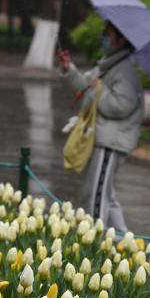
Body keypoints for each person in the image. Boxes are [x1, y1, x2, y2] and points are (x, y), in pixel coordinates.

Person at [58, 21, 143, 231]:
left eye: (108, 33)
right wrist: (69, 69)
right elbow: (84, 87)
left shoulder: (125, 71)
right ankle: (124, 243)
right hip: (102, 138)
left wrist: (99, 91)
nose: (103, 36)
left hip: (111, 142)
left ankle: (94, 241)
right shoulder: (108, 64)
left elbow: (122, 105)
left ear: (122, 39)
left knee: (95, 195)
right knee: (106, 194)